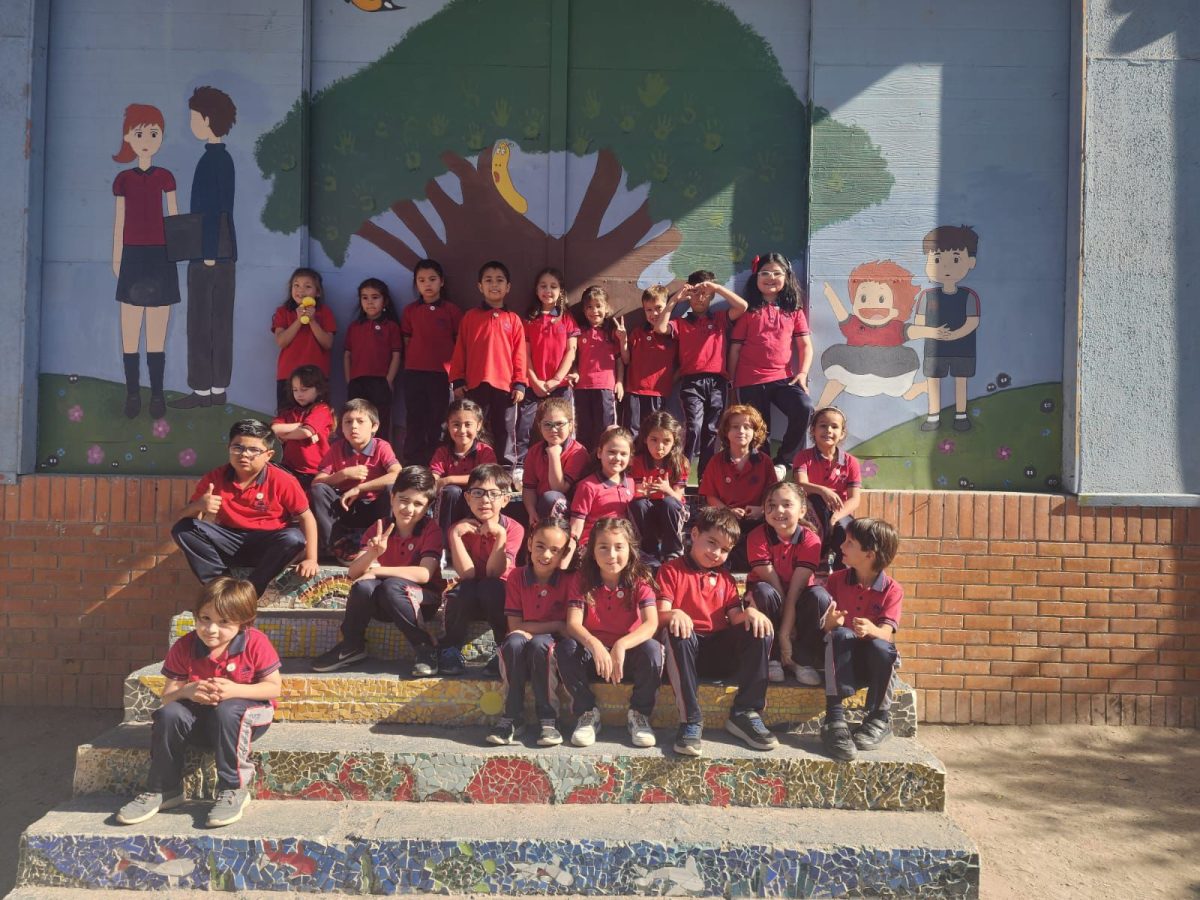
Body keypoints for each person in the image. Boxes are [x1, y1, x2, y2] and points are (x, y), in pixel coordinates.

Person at [115, 577, 280, 828]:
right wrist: (188, 691)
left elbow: (273, 687)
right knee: (169, 714)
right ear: (196, 616)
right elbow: (167, 696)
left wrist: (236, 689)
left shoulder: (255, 642)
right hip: (203, 723)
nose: (211, 629)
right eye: (205, 619)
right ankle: (165, 789)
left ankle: (233, 788)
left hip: (246, 719)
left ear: (244, 623)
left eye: (224, 622)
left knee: (229, 709)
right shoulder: (185, 646)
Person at [657, 506, 778, 756]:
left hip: (717, 652)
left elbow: (735, 618)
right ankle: (690, 719)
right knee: (678, 630)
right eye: (711, 543)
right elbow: (657, 616)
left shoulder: (726, 579)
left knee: (759, 628)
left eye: (724, 550)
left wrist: (751, 613)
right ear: (695, 533)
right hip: (684, 652)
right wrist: (674, 613)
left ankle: (745, 712)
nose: (716, 553)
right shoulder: (670, 570)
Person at [311, 467, 443, 678]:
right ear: (392, 498)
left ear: (427, 506)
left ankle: (425, 648)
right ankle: (352, 645)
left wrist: (378, 570)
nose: (409, 508)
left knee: (392, 586)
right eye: (403, 499)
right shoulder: (380, 527)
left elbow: (424, 574)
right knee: (364, 586)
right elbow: (354, 573)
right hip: (384, 602)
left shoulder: (431, 529)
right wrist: (372, 554)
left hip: (423, 601)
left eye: (418, 503)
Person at [171, 419, 318, 598]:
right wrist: (199, 505)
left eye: (254, 450)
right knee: (183, 529)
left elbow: (306, 518)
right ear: (229, 449)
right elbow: (182, 517)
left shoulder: (283, 480)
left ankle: (252, 589)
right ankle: (221, 586)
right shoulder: (215, 477)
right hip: (228, 541)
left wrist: (311, 559)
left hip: (268, 546)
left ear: (268, 454)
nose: (244, 455)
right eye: (237, 447)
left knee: (294, 538)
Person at [796, 518, 903, 761]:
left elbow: (887, 633)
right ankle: (834, 720)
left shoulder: (892, 589)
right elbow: (827, 628)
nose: (841, 547)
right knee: (840, 635)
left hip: (872, 664)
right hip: (842, 663)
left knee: (883, 648)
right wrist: (830, 623)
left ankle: (879, 718)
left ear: (869, 554)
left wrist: (871, 629)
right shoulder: (836, 580)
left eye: (850, 543)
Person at [555, 517, 662, 748]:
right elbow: (573, 624)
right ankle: (586, 713)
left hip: (627, 657)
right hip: (595, 656)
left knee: (653, 649)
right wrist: (594, 645)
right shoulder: (581, 580)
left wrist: (621, 645)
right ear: (592, 552)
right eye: (603, 547)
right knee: (566, 648)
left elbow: (651, 624)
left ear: (630, 549)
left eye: (619, 547)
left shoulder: (640, 580)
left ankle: (639, 714)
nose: (611, 555)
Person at [171, 86, 239, 411]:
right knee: (216, 321)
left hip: (210, 252)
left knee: (203, 320)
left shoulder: (215, 160)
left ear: (208, 118)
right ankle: (213, 388)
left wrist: (209, 251)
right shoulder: (218, 158)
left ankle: (205, 389)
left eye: (195, 117)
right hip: (217, 250)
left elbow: (216, 210)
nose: (192, 123)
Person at [110, 102, 179, 420]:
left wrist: (177, 252)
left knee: (156, 331)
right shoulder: (123, 179)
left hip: (161, 256)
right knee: (130, 329)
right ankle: (132, 395)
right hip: (133, 256)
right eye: (140, 133)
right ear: (128, 136)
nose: (148, 138)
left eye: (154, 132)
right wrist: (117, 256)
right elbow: (119, 220)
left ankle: (157, 396)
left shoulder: (165, 176)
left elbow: (174, 216)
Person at [488, 517, 573, 746]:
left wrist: (542, 629)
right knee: (512, 643)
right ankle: (512, 716)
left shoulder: (569, 580)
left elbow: (567, 628)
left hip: (548, 645)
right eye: (540, 546)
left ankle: (548, 718)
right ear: (529, 544)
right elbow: (515, 627)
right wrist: (555, 624)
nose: (545, 555)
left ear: (565, 553)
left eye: (555, 550)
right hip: (524, 639)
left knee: (540, 645)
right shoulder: (517, 576)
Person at [729, 252, 814, 475]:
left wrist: (802, 373)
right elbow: (735, 348)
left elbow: (805, 346)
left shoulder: (793, 311)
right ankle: (765, 471)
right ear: (756, 278)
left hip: (782, 378)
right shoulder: (748, 311)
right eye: (765, 273)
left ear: (786, 277)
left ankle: (785, 461)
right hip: (749, 380)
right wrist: (730, 381)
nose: (771, 277)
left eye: (777, 273)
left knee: (804, 407)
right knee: (758, 430)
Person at [439, 464, 525, 676]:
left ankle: (502, 648)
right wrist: (455, 537)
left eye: (493, 494)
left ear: (505, 500)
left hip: (499, 598)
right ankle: (451, 648)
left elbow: (494, 573)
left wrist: (501, 537)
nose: (485, 500)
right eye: (477, 493)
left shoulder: (514, 528)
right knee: (462, 590)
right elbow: (466, 574)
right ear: (467, 498)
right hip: (470, 595)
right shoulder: (460, 528)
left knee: (491, 586)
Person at [448, 260, 527, 466]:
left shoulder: (513, 319)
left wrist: (520, 382)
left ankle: (506, 471)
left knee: (506, 431)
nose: (494, 285)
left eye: (499, 280)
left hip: (505, 386)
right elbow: (460, 350)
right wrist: (457, 379)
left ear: (508, 287)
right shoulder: (470, 317)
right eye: (488, 280)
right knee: (474, 428)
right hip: (475, 385)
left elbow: (520, 354)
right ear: (480, 286)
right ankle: (474, 470)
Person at [671, 270, 748, 476]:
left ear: (712, 295)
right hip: (691, 382)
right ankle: (682, 473)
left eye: (705, 293)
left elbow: (742, 307)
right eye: (695, 292)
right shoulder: (682, 322)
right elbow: (661, 328)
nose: (700, 297)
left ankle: (705, 476)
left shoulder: (720, 318)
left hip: (717, 382)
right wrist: (676, 299)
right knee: (694, 426)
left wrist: (717, 288)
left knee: (712, 429)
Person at [816, 261, 921, 409]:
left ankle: (922, 387)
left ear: (896, 308)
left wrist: (935, 332)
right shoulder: (854, 324)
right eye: (863, 298)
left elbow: (914, 331)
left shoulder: (895, 327)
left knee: (904, 390)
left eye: (881, 299)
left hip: (891, 369)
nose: (872, 306)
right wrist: (831, 295)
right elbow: (841, 314)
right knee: (837, 379)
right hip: (856, 368)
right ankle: (820, 408)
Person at [747, 482, 822, 685]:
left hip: (797, 597)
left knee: (819, 597)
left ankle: (800, 660)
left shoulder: (811, 540)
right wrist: (784, 632)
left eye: (787, 504)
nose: (778, 510)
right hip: (772, 597)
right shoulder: (756, 537)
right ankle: (773, 657)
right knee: (764, 591)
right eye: (771, 504)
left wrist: (787, 630)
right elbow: (774, 584)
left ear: (802, 510)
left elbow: (797, 589)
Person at [908, 225, 982, 432]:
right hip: (934, 349)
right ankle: (933, 416)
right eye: (938, 260)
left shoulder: (969, 296)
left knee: (961, 380)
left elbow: (972, 321)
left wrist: (954, 335)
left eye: (956, 259)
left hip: (963, 348)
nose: (946, 267)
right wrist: (934, 333)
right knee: (933, 381)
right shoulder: (926, 296)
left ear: (971, 262)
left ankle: (961, 415)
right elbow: (919, 324)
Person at [309, 399, 401, 559]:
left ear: (374, 426)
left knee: (392, 487)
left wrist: (360, 488)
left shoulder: (381, 447)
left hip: (374, 507)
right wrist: (343, 474)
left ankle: (386, 541)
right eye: (348, 422)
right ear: (341, 427)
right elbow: (317, 482)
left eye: (360, 421)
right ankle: (337, 544)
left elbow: (398, 474)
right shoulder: (337, 448)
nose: (354, 427)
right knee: (319, 490)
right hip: (346, 506)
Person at [697, 405, 774, 571]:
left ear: (755, 432)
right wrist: (727, 511)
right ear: (726, 431)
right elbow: (710, 496)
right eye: (735, 426)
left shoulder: (765, 461)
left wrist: (762, 509)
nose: (741, 431)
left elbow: (773, 495)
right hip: (724, 517)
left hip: (756, 519)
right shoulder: (716, 461)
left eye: (747, 427)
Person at [401, 258, 463, 465]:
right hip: (414, 373)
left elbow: (459, 343)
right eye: (422, 280)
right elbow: (407, 340)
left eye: (432, 279)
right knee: (415, 417)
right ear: (416, 284)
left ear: (442, 282)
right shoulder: (410, 311)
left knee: (440, 420)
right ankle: (412, 463)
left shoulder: (451, 310)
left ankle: (437, 462)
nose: (427, 284)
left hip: (442, 375)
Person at [515, 267, 579, 461]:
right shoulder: (529, 320)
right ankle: (521, 466)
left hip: (560, 385)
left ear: (561, 291)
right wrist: (534, 380)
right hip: (533, 384)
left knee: (563, 425)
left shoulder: (567, 319)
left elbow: (572, 350)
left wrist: (556, 379)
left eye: (553, 286)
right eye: (543, 286)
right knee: (524, 426)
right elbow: (524, 353)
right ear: (536, 290)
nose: (548, 290)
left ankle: (567, 461)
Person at [793, 406, 863, 565]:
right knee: (818, 500)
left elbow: (854, 499)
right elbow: (801, 484)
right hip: (809, 510)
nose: (828, 430)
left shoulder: (850, 462)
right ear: (813, 430)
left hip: (839, 511)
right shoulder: (803, 457)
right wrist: (823, 490)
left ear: (842, 433)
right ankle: (820, 558)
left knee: (849, 533)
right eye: (823, 426)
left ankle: (842, 572)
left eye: (834, 426)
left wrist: (836, 517)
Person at [271, 268, 336, 413]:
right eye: (296, 285)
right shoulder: (283, 312)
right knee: (286, 417)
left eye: (308, 286)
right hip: (288, 376)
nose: (301, 290)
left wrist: (312, 321)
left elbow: (328, 343)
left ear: (317, 292)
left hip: (316, 376)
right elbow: (281, 341)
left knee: (316, 417)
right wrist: (299, 321)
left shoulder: (325, 312)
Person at [568, 426, 636, 565]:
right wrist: (566, 560)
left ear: (630, 458)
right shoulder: (588, 486)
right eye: (611, 452)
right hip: (592, 546)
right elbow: (575, 527)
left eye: (623, 454)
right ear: (600, 453)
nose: (617, 458)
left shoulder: (630, 483)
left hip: (620, 545)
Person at [344, 277, 403, 439]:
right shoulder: (354, 327)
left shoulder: (391, 326)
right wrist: (350, 380)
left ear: (385, 301)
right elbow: (347, 355)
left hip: (380, 382)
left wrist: (389, 380)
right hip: (357, 382)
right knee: (357, 421)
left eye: (375, 297)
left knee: (380, 423)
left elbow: (396, 354)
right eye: (365, 297)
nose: (370, 302)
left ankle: (380, 460)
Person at [628, 410, 689, 565]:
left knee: (670, 503)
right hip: (648, 510)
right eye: (654, 440)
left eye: (666, 441)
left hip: (671, 510)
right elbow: (633, 493)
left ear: (674, 441)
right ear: (645, 439)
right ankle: (650, 551)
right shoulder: (637, 461)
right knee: (639, 503)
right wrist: (642, 493)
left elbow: (679, 499)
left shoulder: (679, 462)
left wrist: (667, 489)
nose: (659, 447)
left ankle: (673, 552)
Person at [571, 285, 627, 451]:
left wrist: (620, 382)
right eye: (589, 307)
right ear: (583, 309)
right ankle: (584, 464)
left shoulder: (612, 333)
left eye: (598, 306)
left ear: (606, 308)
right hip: (582, 388)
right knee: (584, 429)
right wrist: (574, 372)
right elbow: (573, 358)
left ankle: (603, 466)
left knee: (605, 430)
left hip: (605, 388)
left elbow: (620, 359)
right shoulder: (579, 332)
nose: (594, 311)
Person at [429, 398, 498, 532]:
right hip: (449, 505)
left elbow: (487, 478)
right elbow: (434, 477)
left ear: (478, 425)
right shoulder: (442, 452)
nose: (462, 430)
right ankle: (443, 544)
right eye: (456, 424)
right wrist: (436, 481)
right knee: (451, 491)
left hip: (477, 502)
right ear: (448, 425)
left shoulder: (485, 451)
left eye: (468, 424)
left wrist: (449, 479)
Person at [522, 396, 590, 528]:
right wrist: (531, 511)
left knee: (551, 497)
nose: (553, 430)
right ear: (539, 426)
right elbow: (528, 488)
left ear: (570, 425)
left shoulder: (578, 452)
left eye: (559, 424)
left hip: (570, 508)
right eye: (547, 424)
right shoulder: (534, 451)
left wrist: (554, 455)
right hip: (543, 505)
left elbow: (558, 488)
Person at [271, 365, 335, 491]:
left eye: (304, 389)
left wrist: (285, 434)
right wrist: (298, 425)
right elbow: (273, 429)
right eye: (295, 390)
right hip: (290, 467)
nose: (299, 394)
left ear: (319, 390)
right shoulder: (289, 412)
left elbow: (306, 432)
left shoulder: (322, 409)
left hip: (315, 470)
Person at [623, 284, 675, 439]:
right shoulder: (638, 333)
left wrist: (673, 378)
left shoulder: (672, 335)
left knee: (654, 432)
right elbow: (626, 359)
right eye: (649, 310)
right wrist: (623, 340)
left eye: (659, 308)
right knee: (632, 432)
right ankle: (633, 463)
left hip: (658, 392)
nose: (654, 313)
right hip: (634, 391)